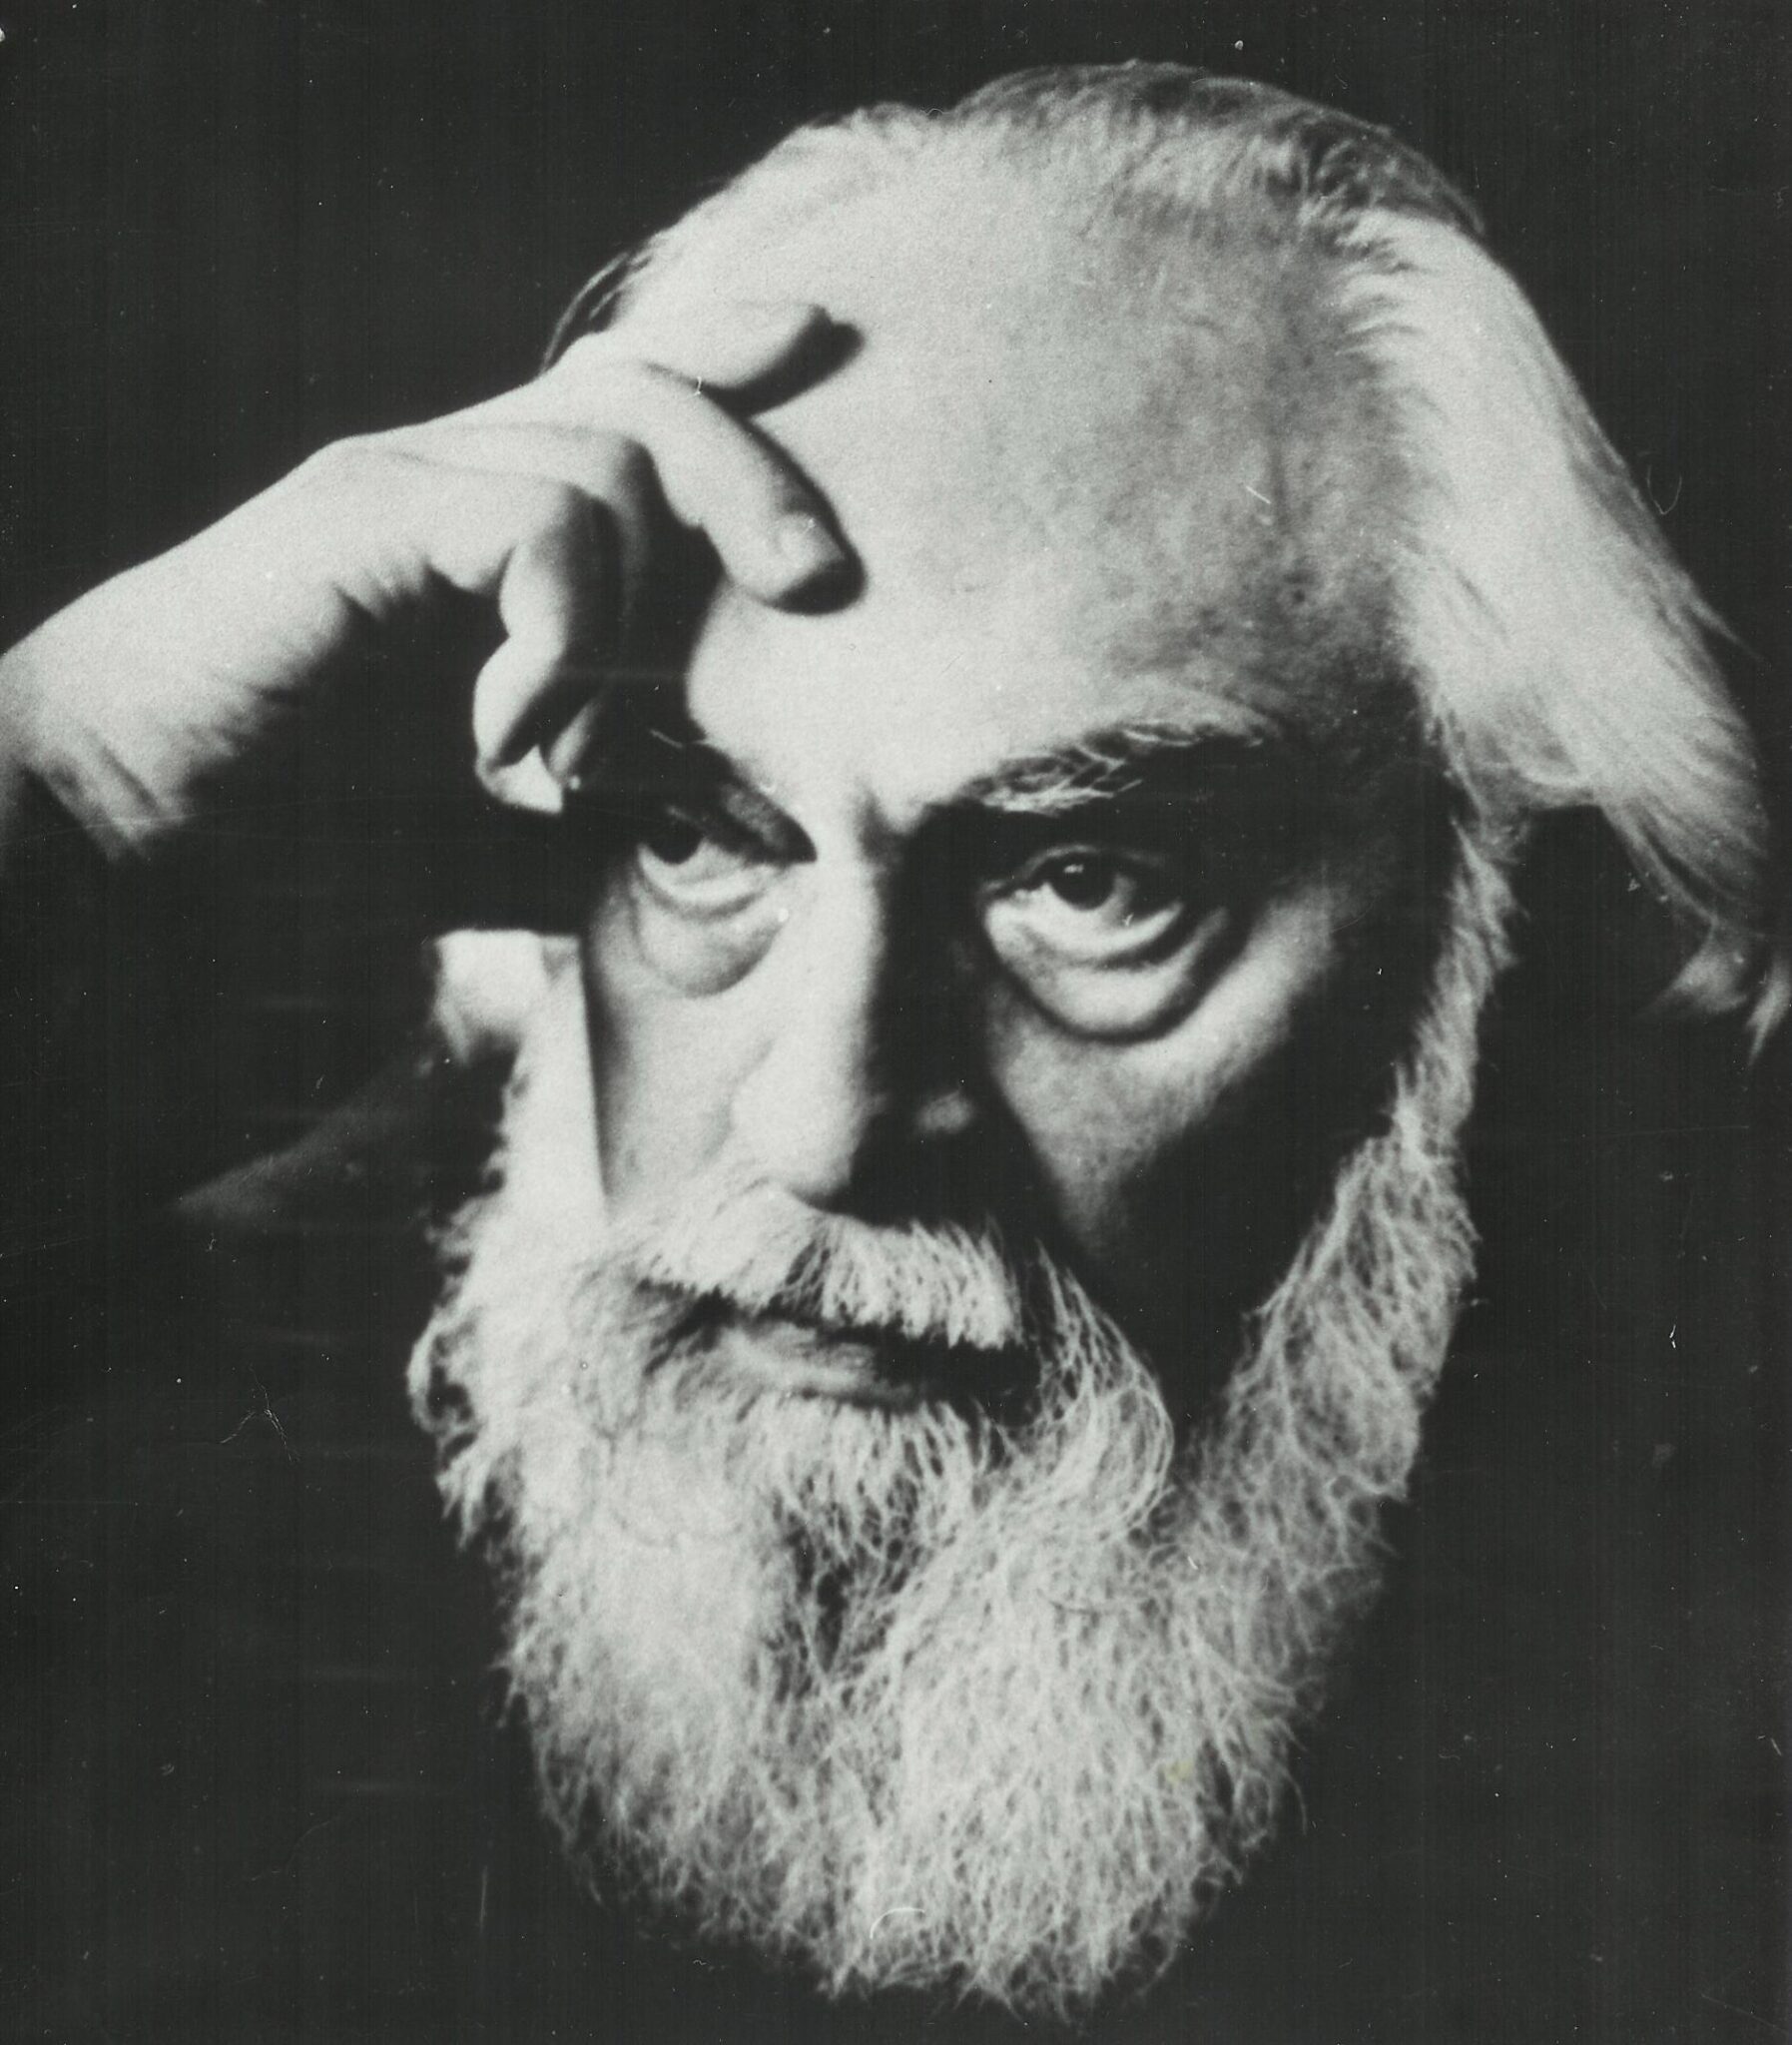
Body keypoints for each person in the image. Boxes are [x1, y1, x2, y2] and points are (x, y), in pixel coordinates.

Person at [1, 63, 1783, 2038]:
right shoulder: (154, 1501)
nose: (826, 1124)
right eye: (697, 833)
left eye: (1092, 878)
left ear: (1510, 921)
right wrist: (62, 809)